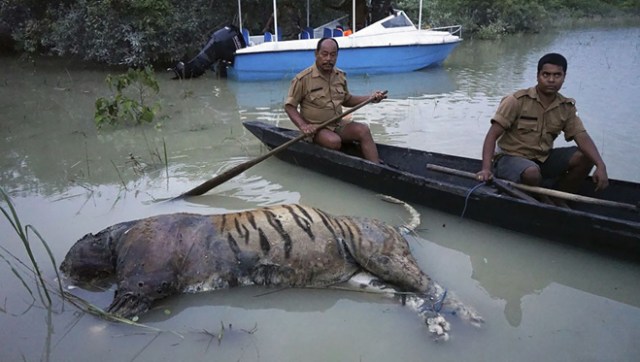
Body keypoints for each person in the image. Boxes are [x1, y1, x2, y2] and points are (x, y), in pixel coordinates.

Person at [477, 53, 609, 206]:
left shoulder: (566, 107)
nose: (551, 80)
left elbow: (582, 136)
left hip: (542, 159)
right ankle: (544, 199)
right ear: (538, 76)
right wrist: (486, 169)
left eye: (557, 75)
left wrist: (600, 165)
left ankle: (559, 197)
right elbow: (492, 135)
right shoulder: (516, 101)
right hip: (509, 159)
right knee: (531, 172)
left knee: (586, 157)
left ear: (564, 77)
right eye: (546, 74)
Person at [284, 37, 387, 163]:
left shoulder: (340, 76)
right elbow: (290, 106)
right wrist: (304, 126)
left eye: (333, 55)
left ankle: (376, 168)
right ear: (316, 54)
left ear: (337, 56)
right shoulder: (303, 79)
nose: (328, 59)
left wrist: (370, 98)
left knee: (363, 130)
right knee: (334, 141)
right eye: (324, 54)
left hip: (337, 125)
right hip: (316, 129)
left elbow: (347, 100)